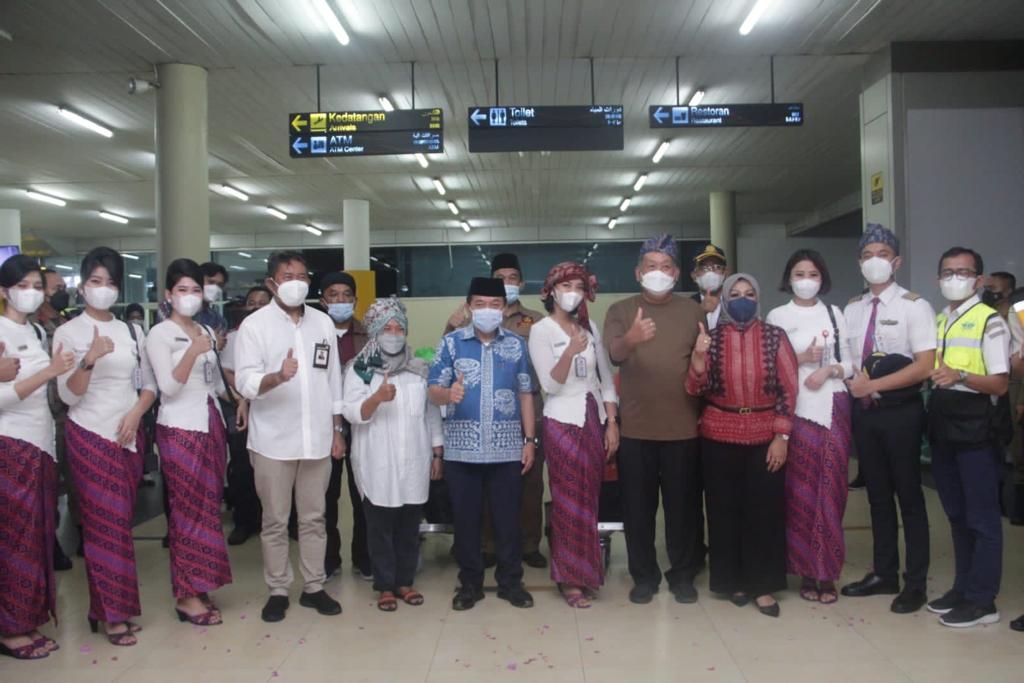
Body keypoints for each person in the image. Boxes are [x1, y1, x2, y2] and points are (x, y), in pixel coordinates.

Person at [53, 247, 157, 646]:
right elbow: (69, 395)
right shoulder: (69, 332)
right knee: (103, 528)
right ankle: (111, 614)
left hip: (128, 436)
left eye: (111, 282)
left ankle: (112, 608)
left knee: (120, 527)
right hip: (90, 435)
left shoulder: (132, 331)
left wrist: (135, 415)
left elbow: (148, 384)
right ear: (82, 287)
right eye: (96, 281)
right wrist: (90, 360)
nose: (103, 289)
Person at [233, 251, 345, 623]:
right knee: (275, 521)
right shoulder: (255, 325)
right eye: (287, 276)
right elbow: (245, 382)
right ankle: (278, 589)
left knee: (314, 518)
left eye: (302, 276)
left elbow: (333, 380)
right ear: (272, 283)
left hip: (317, 438)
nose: (296, 282)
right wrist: (277, 377)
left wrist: (337, 429)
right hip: (273, 441)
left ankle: (313, 586)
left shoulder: (322, 322)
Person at [686, 273, 798, 618]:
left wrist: (781, 437)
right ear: (724, 300)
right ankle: (732, 580)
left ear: (758, 298)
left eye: (749, 293)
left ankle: (761, 585)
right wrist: (699, 358)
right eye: (734, 294)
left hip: (766, 436)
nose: (743, 300)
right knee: (724, 511)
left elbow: (789, 389)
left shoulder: (775, 336)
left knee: (764, 512)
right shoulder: (712, 337)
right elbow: (694, 389)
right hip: (718, 434)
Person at [603, 234, 706, 605]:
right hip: (636, 428)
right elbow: (614, 355)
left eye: (665, 267)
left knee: (683, 510)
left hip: (683, 429)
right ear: (638, 272)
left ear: (676, 273)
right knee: (638, 510)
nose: (658, 273)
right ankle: (644, 576)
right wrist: (631, 338)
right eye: (651, 266)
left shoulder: (692, 311)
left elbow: (703, 362)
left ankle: (683, 574)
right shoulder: (620, 310)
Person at [840, 224, 936, 614]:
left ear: (896, 262)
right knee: (877, 496)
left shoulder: (915, 306)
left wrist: (874, 385)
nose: (874, 261)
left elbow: (924, 366)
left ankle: (915, 583)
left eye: (881, 254)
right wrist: (853, 382)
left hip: (901, 413)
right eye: (867, 256)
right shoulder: (853, 308)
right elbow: (848, 359)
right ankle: (884, 573)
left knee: (909, 496)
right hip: (866, 415)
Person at [145, 259, 245, 626]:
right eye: (182, 290)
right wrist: (191, 350)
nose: (190, 296)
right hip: (179, 428)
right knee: (187, 512)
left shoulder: (204, 328)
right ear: (169, 294)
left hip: (210, 423)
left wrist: (239, 399)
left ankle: (201, 585)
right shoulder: (160, 334)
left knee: (208, 510)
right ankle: (186, 595)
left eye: (196, 290)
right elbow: (168, 388)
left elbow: (214, 382)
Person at [428, 277, 537, 611]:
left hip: (507, 448)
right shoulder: (451, 344)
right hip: (462, 450)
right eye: (479, 304)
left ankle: (511, 582)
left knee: (508, 520)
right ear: (468, 307)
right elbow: (432, 390)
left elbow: (526, 393)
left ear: (503, 309)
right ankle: (470, 584)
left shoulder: (516, 344)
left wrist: (529, 440)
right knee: (466, 522)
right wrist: (448, 394)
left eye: (494, 304)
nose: (487, 310)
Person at [444, 252, 548, 569]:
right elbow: (446, 361)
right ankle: (488, 545)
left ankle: (529, 543)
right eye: (500, 278)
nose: (507, 282)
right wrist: (451, 324)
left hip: (528, 410)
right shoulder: (470, 321)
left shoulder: (536, 320)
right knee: (488, 487)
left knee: (529, 484)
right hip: (481, 415)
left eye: (513, 277)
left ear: (521, 283)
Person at [923, 248, 1010, 628]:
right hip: (944, 424)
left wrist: (960, 375)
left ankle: (982, 600)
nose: (954, 278)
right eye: (947, 272)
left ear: (978, 280)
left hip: (976, 426)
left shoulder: (990, 321)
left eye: (962, 272)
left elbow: (1000, 384)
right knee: (957, 515)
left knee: (982, 518)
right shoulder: (942, 319)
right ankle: (963, 588)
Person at [341, 297, 443, 611]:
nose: (395, 334)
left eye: (400, 328)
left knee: (409, 525)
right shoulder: (360, 369)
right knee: (380, 526)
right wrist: (376, 398)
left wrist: (437, 452)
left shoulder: (419, 368)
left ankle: (405, 582)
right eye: (388, 328)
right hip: (376, 459)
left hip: (415, 456)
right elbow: (351, 412)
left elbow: (430, 413)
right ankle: (385, 585)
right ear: (374, 331)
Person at [766, 250, 854, 604]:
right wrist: (800, 359)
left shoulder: (834, 313)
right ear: (789, 279)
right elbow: (768, 368)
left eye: (813, 274)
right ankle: (805, 569)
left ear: (822, 278)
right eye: (799, 274)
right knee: (800, 492)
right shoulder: (778, 316)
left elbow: (850, 364)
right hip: (796, 410)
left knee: (831, 490)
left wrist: (829, 370)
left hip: (833, 408)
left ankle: (826, 572)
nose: (806, 280)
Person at [528, 262, 618, 608]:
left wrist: (612, 421)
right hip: (561, 420)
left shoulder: (589, 326)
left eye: (579, 287)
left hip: (592, 419)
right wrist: (569, 351)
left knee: (589, 498)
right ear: (551, 290)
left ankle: (587, 573)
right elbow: (549, 385)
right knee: (567, 500)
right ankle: (568, 578)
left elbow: (605, 378)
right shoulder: (541, 330)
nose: (573, 293)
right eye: (566, 286)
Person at [0, 255, 75, 660]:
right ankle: (11, 628)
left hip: (41, 442)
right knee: (15, 540)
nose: (31, 293)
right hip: (11, 445)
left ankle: (28, 619)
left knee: (36, 538)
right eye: (22, 286)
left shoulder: (33, 331)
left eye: (36, 286)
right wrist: (48, 372)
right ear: (4, 291)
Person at [319, 271, 371, 580]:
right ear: (323, 300)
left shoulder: (369, 335)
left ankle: (364, 558)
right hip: (323, 424)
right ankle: (328, 560)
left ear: (355, 300)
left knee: (362, 493)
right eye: (333, 294)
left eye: (346, 295)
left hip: (360, 423)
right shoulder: (314, 333)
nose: (341, 300)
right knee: (325, 497)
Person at [31, 268, 75, 569]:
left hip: (69, 411)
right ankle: (51, 542)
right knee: (46, 484)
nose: (62, 292)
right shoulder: (31, 327)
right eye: (56, 288)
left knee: (74, 479)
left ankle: (80, 530)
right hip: (40, 413)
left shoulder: (67, 323)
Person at [222, 285, 271, 546]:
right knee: (242, 467)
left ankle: (282, 522)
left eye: (263, 302)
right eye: (252, 302)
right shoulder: (233, 337)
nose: (256, 307)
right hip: (241, 407)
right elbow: (227, 372)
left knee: (276, 468)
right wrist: (244, 397)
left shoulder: (281, 334)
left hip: (273, 408)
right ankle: (244, 522)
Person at [690, 244, 729, 330]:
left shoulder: (733, 303)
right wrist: (700, 312)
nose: (711, 272)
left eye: (717, 267)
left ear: (725, 273)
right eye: (704, 268)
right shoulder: (686, 306)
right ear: (694, 275)